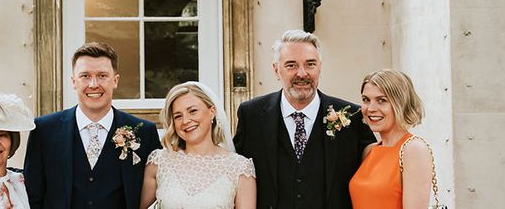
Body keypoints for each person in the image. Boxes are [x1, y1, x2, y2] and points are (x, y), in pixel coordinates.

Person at [233, 30, 375, 209]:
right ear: (276, 70)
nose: (302, 73)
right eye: (291, 65)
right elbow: (233, 172)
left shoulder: (352, 116)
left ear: (320, 67)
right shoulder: (251, 115)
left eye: (310, 64)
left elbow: (376, 172)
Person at [24, 41, 162, 209]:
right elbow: (32, 196)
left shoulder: (144, 132)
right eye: (85, 76)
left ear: (115, 80)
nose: (94, 84)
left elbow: (156, 197)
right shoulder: (44, 130)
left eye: (102, 75)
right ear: (74, 81)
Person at [139, 81, 256, 209]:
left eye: (193, 111)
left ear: (212, 112)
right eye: (178, 116)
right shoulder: (159, 161)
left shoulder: (240, 168)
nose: (185, 121)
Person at [348, 70, 433, 209]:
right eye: (366, 100)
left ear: (401, 103)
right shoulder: (369, 151)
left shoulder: (413, 150)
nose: (371, 108)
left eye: (381, 100)